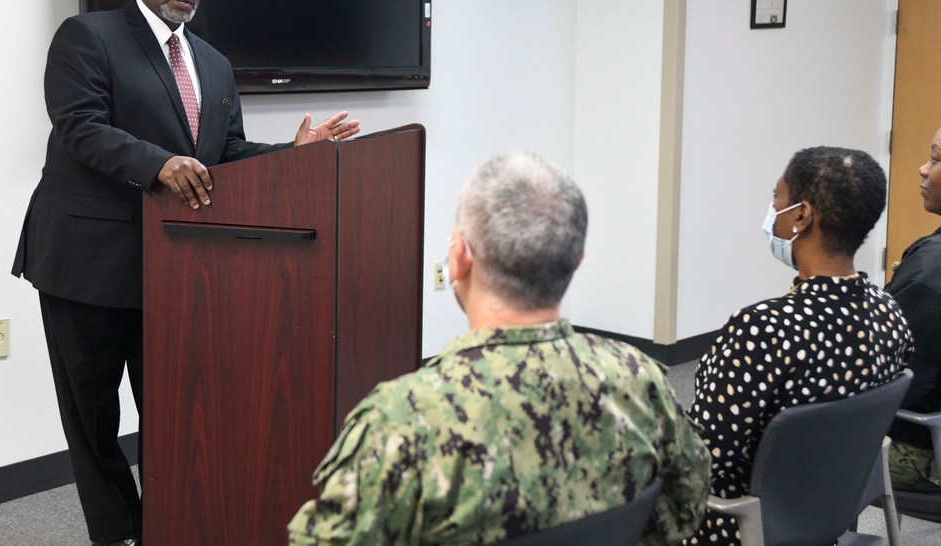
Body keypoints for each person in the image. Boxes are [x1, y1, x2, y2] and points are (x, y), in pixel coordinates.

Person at [12, 0, 359, 546]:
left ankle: (170, 520)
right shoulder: (88, 36)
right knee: (93, 415)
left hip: (175, 265)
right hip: (85, 261)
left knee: (174, 407)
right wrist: (158, 163)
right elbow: (78, 125)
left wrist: (294, 152)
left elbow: (222, 154)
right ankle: (119, 529)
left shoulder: (214, 63)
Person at [287, 152, 710, 545]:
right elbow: (685, 506)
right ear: (576, 258)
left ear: (460, 259)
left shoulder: (400, 422)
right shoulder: (642, 380)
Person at [683, 146, 913, 546]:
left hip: (739, 527)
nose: (771, 208)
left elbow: (700, 463)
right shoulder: (889, 312)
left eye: (777, 197)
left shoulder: (761, 330)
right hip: (827, 519)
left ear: (802, 216)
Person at [887, 126, 941, 492]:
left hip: (925, 447)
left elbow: (891, 379)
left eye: (936, 159)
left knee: (780, 445)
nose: (923, 168)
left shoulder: (931, 275)